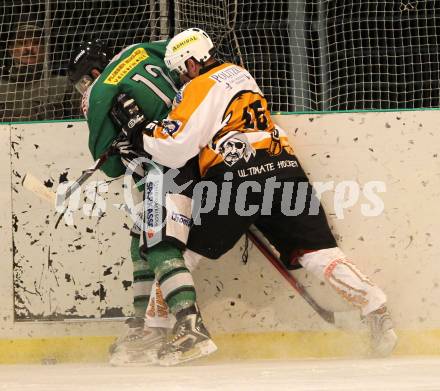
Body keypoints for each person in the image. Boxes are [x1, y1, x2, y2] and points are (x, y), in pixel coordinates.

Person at [111, 27, 398, 364]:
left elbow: (175, 147)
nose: (181, 77)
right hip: (284, 165)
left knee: (178, 253)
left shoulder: (200, 85)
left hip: (236, 178)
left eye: (179, 70)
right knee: (319, 252)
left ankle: (157, 331)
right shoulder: (241, 74)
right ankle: (376, 309)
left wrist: (139, 130)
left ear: (191, 62)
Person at [68, 39, 215, 366]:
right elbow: (183, 59)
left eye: (82, 81)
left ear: (93, 71)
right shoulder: (144, 49)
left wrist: (123, 139)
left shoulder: (97, 93)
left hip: (163, 168)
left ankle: (190, 326)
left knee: (160, 246)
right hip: (202, 147)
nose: (83, 88)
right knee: (140, 242)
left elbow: (111, 167)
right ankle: (145, 326)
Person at [0, 23, 80, 122]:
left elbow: (82, 125)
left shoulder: (64, 85)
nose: (29, 48)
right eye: (22, 42)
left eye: (36, 42)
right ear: (11, 50)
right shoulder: (1, 85)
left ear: (46, 49)